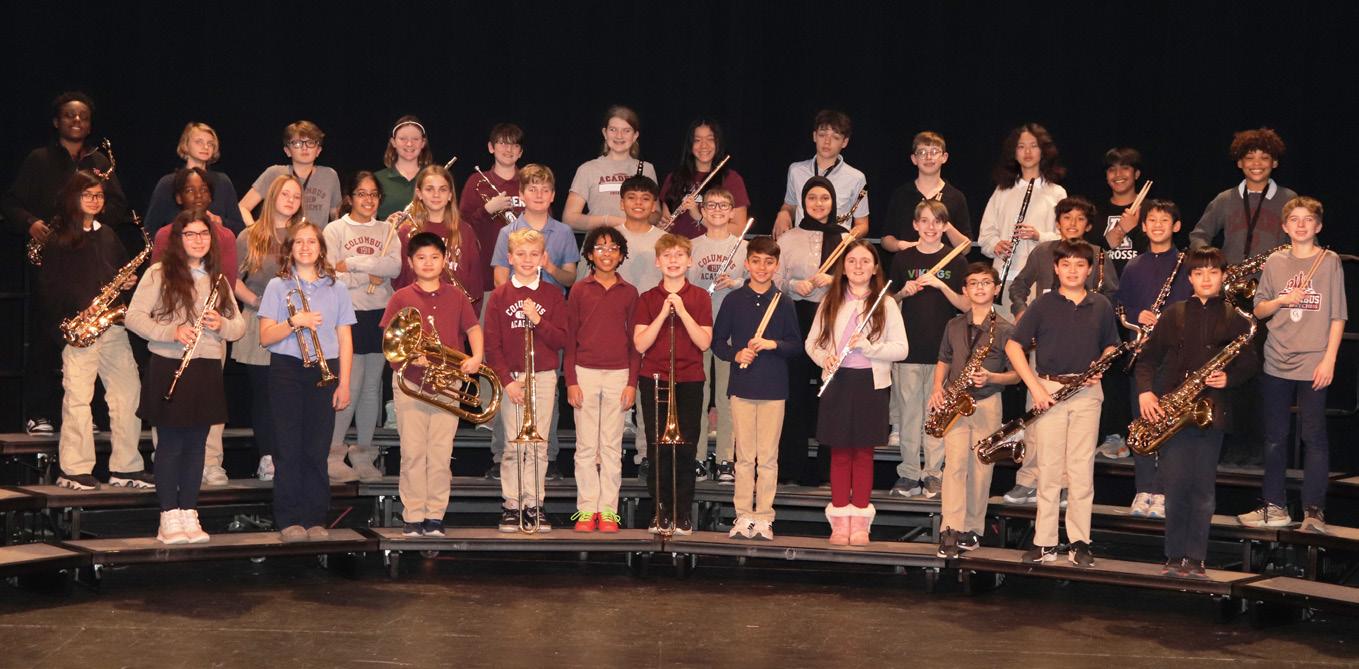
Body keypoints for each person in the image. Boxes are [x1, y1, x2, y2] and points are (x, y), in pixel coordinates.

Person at [4, 91, 130, 435]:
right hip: (52, 257)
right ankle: (40, 413)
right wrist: (31, 222)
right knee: (47, 334)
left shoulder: (99, 161)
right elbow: (11, 203)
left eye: (83, 117)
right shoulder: (39, 159)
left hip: (91, 260)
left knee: (94, 335)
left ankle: (92, 415)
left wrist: (91, 221)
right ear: (56, 121)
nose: (77, 121)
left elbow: (118, 206)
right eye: (70, 116)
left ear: (90, 125)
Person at [1134, 247, 1257, 578]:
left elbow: (1250, 363)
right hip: (1173, 413)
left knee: (1203, 490)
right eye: (1199, 273)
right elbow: (1146, 360)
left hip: (1211, 412)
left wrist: (1229, 377)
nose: (1206, 278)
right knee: (1175, 488)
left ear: (1223, 277)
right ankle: (1174, 556)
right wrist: (1146, 392)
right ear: (1189, 278)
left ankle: (1197, 558)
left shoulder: (1235, 317)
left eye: (1213, 272)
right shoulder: (1173, 314)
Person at [126, 209, 246, 544]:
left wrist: (222, 324)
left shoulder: (218, 279)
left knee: (196, 445)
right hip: (170, 365)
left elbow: (239, 326)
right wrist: (171, 331)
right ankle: (168, 515)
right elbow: (134, 317)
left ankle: (189, 511)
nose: (198, 240)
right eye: (190, 234)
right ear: (178, 240)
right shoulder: (159, 273)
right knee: (171, 445)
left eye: (203, 234)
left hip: (206, 366)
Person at [1008, 240, 1121, 567]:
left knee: (1081, 470)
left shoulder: (1100, 305)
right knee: (1048, 469)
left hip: (1086, 395)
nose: (1073, 271)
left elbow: (1112, 345)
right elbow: (1014, 346)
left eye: (1080, 265)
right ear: (1056, 269)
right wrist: (1036, 388)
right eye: (1066, 265)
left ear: (1090, 270)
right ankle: (1044, 542)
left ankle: (1079, 542)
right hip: (1049, 391)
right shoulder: (1042, 305)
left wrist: (1099, 366)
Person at [1238, 197, 1346, 532]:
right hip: (1277, 360)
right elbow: (1258, 310)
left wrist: (1329, 359)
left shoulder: (1330, 261)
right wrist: (1282, 300)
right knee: (1274, 437)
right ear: (1284, 227)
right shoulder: (1275, 261)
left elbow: (1338, 315)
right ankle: (1274, 506)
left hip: (1314, 361)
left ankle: (1314, 511)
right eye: (1294, 219)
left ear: (1318, 226)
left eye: (1308, 219)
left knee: (1313, 436)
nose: (1301, 225)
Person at [41, 171, 150, 491]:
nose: (94, 200)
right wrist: (77, 311)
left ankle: (126, 468)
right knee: (78, 398)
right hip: (80, 329)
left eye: (99, 195)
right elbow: (49, 288)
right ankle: (74, 469)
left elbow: (118, 274)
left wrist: (128, 282)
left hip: (111, 326)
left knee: (128, 393)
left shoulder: (108, 235)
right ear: (73, 197)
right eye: (87, 194)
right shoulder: (58, 238)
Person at [381, 232, 484, 537]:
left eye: (435, 257)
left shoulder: (457, 296)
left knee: (440, 454)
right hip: (410, 384)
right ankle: (413, 515)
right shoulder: (400, 297)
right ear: (410, 262)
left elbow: (473, 328)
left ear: (444, 260)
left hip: (447, 382)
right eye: (421, 258)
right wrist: (412, 358)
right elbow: (390, 342)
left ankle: (435, 516)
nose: (428, 263)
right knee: (413, 452)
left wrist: (477, 357)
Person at [257, 221, 355, 542]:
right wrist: (294, 322)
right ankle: (288, 519)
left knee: (317, 448)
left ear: (321, 248)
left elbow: (345, 338)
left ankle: (315, 518)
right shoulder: (277, 286)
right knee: (288, 448)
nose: (305, 247)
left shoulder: (337, 288)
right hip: (286, 370)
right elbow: (265, 337)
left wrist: (344, 383)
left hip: (325, 370)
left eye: (312, 241)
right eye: (299, 242)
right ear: (290, 249)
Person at [806, 240, 908, 546]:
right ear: (843, 267)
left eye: (865, 261)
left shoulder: (886, 304)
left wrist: (869, 346)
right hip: (838, 381)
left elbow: (902, 349)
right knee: (839, 452)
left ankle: (861, 522)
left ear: (875, 268)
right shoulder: (830, 300)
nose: (858, 266)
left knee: (863, 453)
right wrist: (824, 357)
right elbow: (812, 342)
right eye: (852, 261)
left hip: (870, 384)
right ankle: (839, 522)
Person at [150, 167, 240, 484]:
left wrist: (219, 320)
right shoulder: (165, 235)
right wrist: (171, 327)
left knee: (209, 403)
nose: (198, 195)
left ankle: (210, 462)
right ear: (178, 197)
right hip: (174, 337)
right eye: (190, 190)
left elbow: (227, 283)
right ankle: (166, 457)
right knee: (170, 400)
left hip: (211, 334)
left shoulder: (225, 236)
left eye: (203, 190)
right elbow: (158, 288)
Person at [712, 236, 800, 540]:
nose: (762, 267)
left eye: (769, 262)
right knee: (744, 457)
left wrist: (772, 344)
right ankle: (743, 515)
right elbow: (717, 342)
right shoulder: (733, 300)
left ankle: (764, 516)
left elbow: (795, 345)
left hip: (774, 388)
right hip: (742, 386)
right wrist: (736, 354)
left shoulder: (784, 302)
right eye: (756, 261)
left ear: (776, 266)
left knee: (768, 458)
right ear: (747, 263)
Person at [1113, 200, 1193, 516]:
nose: (1158, 225)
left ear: (1176, 226)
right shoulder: (1134, 266)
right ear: (1143, 227)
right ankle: (1143, 489)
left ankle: (1163, 490)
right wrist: (1138, 315)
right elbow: (1121, 308)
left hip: (1177, 356)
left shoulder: (1187, 264)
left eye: (1164, 220)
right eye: (1152, 221)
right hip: (1144, 354)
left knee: (1170, 424)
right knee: (1142, 423)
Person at [485, 229, 568, 533]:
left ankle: (534, 504)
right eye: (521, 254)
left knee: (538, 445)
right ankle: (511, 504)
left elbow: (561, 339)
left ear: (543, 258)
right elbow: (492, 345)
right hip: (512, 378)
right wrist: (506, 381)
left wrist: (538, 320)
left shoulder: (553, 296)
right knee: (512, 445)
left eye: (534, 254)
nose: (527, 260)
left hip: (542, 376)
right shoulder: (499, 296)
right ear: (510, 258)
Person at [934, 263, 1019, 557]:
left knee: (982, 469)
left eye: (985, 283)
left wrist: (992, 377)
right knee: (954, 466)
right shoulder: (954, 325)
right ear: (965, 290)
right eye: (973, 283)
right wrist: (937, 388)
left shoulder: (1007, 329)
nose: (980, 287)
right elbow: (944, 359)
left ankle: (972, 530)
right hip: (956, 404)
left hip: (988, 404)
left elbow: (1016, 375)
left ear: (997, 289)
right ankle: (950, 528)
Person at [324, 171, 401, 482]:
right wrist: (366, 275)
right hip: (349, 315)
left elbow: (394, 266)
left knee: (372, 388)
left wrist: (354, 264)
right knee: (350, 384)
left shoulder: (387, 230)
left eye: (373, 194)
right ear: (349, 198)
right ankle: (333, 452)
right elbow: (330, 274)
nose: (368, 200)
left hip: (380, 313)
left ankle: (364, 452)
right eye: (361, 193)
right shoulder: (335, 230)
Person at [633, 234, 714, 535]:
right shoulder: (647, 298)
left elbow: (704, 342)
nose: (673, 260)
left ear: (689, 261)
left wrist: (681, 310)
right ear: (658, 262)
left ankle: (682, 513)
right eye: (667, 256)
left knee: (685, 448)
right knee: (658, 449)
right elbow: (641, 344)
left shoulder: (700, 297)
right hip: (655, 379)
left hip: (689, 379)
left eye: (680, 255)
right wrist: (662, 313)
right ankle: (661, 512)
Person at [887, 200, 968, 499]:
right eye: (924, 221)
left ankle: (933, 474)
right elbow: (887, 302)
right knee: (909, 416)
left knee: (935, 416)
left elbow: (967, 305)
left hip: (943, 354)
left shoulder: (955, 260)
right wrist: (903, 293)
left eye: (937, 221)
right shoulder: (903, 259)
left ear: (945, 226)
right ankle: (909, 474)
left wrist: (941, 285)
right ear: (915, 225)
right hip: (908, 350)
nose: (930, 227)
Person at [565, 226, 640, 532]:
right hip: (584, 372)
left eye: (613, 249)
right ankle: (586, 510)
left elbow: (635, 344)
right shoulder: (579, 290)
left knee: (610, 446)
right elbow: (570, 338)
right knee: (585, 446)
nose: (606, 254)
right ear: (589, 254)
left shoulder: (630, 292)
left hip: (619, 374)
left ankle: (608, 511)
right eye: (600, 248)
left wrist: (632, 383)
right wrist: (571, 380)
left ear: (621, 255)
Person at [233, 175, 304, 483]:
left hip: (296, 325)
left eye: (296, 196)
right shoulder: (250, 236)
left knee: (291, 395)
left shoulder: (303, 235)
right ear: (272, 196)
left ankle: (290, 456)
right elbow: (232, 279)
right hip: (258, 322)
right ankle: (267, 458)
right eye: (285, 194)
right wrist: (257, 301)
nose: (290, 200)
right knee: (265, 394)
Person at [774, 176, 842, 486]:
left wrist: (836, 280)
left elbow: (863, 277)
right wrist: (792, 285)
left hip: (833, 319)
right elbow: (773, 277)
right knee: (796, 392)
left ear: (833, 202)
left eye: (824, 198)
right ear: (803, 202)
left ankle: (828, 470)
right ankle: (792, 466)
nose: (818, 203)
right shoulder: (789, 238)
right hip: (796, 317)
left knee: (831, 393)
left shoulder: (845, 238)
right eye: (812, 198)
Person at [686, 187, 747, 482]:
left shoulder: (744, 247)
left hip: (731, 330)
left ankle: (725, 458)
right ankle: (697, 457)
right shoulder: (691, 246)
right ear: (702, 211)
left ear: (732, 212)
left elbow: (759, 283)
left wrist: (737, 283)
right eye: (711, 205)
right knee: (698, 394)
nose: (717, 210)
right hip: (698, 328)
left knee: (726, 397)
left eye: (723, 205)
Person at [977, 123, 1068, 315]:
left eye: (1034, 146)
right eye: (1021, 146)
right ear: (1014, 152)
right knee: (1005, 332)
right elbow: (985, 236)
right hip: (1006, 277)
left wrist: (1039, 236)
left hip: (1042, 278)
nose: (1027, 152)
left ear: (1043, 151)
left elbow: (1066, 239)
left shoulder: (1057, 192)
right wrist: (995, 245)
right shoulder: (1002, 191)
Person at [1189, 128, 1298, 264]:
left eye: (1264, 158)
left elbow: (1306, 239)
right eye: (1249, 158)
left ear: (1274, 162)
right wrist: (1212, 264)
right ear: (1240, 163)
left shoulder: (1289, 199)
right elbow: (1199, 235)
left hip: (1277, 275)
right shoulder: (1225, 199)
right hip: (1232, 276)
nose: (1257, 163)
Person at [391, 164, 484, 312]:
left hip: (455, 311)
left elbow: (475, 279)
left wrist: (470, 316)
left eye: (442, 189)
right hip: (417, 312)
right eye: (429, 189)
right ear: (419, 193)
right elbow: (400, 280)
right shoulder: (406, 231)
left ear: (450, 195)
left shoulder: (465, 231)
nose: (436, 195)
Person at [1008, 196, 1119, 317]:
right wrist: (1021, 310)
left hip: (1087, 321)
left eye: (1080, 219)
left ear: (1088, 226)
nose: (1073, 223)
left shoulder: (1098, 254)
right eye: (1067, 217)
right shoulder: (1042, 252)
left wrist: (1098, 315)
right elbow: (1019, 285)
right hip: (1047, 320)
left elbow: (1112, 293)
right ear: (1057, 224)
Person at [772, 110, 869, 240]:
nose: (827, 142)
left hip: (836, 244)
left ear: (845, 142)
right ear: (814, 136)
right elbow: (790, 205)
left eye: (835, 137)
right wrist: (784, 213)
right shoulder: (796, 170)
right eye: (822, 135)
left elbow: (862, 224)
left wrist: (846, 240)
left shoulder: (857, 178)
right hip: (801, 242)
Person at [563, 105, 658, 231]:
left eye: (626, 130)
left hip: (636, 241)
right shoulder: (588, 169)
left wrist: (637, 220)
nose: (619, 136)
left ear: (635, 135)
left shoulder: (646, 169)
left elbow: (655, 215)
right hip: (599, 241)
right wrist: (608, 221)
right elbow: (569, 219)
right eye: (613, 129)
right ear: (605, 133)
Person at [145, 122, 245, 235]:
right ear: (185, 145)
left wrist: (220, 221)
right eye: (199, 142)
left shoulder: (222, 182)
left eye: (210, 143)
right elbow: (151, 228)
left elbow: (239, 227)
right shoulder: (168, 183)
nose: (206, 147)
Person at [239, 120, 342, 228]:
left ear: (318, 150)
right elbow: (242, 207)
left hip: (315, 238)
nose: (304, 148)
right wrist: (256, 232)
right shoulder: (274, 173)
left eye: (310, 142)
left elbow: (336, 215)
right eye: (297, 143)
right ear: (287, 151)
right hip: (278, 238)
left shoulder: (329, 176)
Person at [659, 118, 751, 239]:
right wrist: (662, 227)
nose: (703, 145)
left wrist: (699, 217)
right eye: (697, 140)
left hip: (715, 249)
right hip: (679, 248)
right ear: (690, 145)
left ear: (718, 143)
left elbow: (738, 230)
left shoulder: (732, 180)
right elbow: (666, 226)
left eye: (710, 139)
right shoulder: (674, 178)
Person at [881, 131, 972, 250]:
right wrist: (902, 245)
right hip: (909, 261)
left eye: (934, 152)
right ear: (914, 159)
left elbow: (966, 248)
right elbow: (886, 240)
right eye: (922, 152)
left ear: (944, 157)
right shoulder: (901, 195)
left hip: (945, 262)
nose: (928, 157)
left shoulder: (956, 197)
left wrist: (946, 226)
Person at [462, 123, 526, 289]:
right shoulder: (476, 182)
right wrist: (486, 210)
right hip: (485, 275)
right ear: (491, 147)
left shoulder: (529, 182)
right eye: (503, 143)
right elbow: (461, 227)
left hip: (525, 274)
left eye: (514, 144)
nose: (509, 149)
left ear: (520, 152)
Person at [1098, 147, 1149, 275]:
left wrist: (1133, 230)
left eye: (1125, 168)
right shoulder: (1095, 212)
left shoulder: (1152, 209)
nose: (1118, 174)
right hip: (1105, 285)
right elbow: (1084, 256)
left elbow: (1161, 253)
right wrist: (1105, 243)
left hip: (1143, 281)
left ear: (1136, 174)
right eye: (1112, 169)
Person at [375, 115, 433, 221]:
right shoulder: (377, 179)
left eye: (415, 139)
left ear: (423, 143)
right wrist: (385, 225)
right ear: (393, 142)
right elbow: (366, 221)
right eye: (403, 139)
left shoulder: (434, 178)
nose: (409, 144)